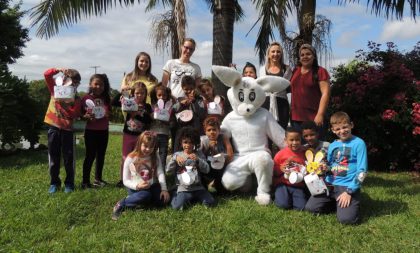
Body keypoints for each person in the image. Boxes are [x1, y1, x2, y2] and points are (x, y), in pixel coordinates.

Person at [305, 112, 368, 224]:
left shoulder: (359, 143)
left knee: (346, 219)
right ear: (333, 130)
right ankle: (337, 204)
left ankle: (350, 203)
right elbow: (330, 165)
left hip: (347, 186)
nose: (342, 131)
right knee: (311, 208)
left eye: (345, 127)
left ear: (351, 125)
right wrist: (324, 168)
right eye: (338, 129)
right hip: (330, 185)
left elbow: (362, 172)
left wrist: (349, 192)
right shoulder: (333, 145)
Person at [112, 131, 170, 220]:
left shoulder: (155, 156)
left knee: (162, 200)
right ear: (139, 144)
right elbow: (125, 180)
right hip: (136, 187)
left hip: (151, 185)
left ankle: (139, 203)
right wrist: (137, 186)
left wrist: (164, 189)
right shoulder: (131, 158)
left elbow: (160, 172)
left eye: (151, 147)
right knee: (145, 195)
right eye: (145, 146)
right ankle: (122, 203)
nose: (148, 149)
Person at [43, 67, 82, 193]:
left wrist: (64, 103)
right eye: (71, 82)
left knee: (68, 158)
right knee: (53, 157)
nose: (73, 85)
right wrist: (59, 69)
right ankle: (54, 183)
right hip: (53, 127)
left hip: (67, 130)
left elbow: (75, 114)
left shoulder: (76, 98)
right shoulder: (55, 90)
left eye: (76, 83)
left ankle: (69, 184)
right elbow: (47, 75)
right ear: (64, 80)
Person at [166, 127, 215, 210]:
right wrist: (174, 159)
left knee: (210, 202)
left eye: (191, 142)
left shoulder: (198, 154)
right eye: (185, 142)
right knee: (177, 207)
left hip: (198, 188)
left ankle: (194, 198)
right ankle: (174, 194)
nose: (188, 145)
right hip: (184, 189)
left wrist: (198, 160)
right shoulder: (177, 155)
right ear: (181, 143)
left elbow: (207, 170)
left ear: (195, 143)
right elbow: (168, 171)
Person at [290, 44, 330, 137]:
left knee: (316, 149)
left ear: (314, 56)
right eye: (302, 55)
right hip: (296, 118)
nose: (305, 57)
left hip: (314, 118)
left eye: (308, 54)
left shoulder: (320, 71)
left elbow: (326, 93)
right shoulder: (295, 70)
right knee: (300, 149)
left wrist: (320, 114)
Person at [117, 82, 153, 187]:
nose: (139, 95)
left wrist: (137, 115)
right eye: (137, 93)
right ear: (133, 94)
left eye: (142, 93)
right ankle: (122, 179)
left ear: (145, 94)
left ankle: (136, 177)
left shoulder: (147, 106)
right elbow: (114, 102)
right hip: (128, 135)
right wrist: (122, 91)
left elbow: (148, 121)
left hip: (140, 136)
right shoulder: (128, 102)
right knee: (125, 156)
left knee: (138, 157)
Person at [81, 74, 111, 189]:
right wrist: (86, 116)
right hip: (91, 131)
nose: (99, 87)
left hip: (104, 131)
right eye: (96, 84)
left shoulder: (106, 98)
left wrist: (107, 114)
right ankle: (85, 182)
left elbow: (109, 113)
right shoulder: (85, 98)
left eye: (101, 85)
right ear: (90, 85)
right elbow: (81, 115)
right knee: (90, 156)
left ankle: (98, 179)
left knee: (101, 156)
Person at [272, 126, 307, 210]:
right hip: (283, 184)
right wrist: (280, 168)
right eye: (291, 140)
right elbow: (273, 172)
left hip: (298, 185)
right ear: (286, 140)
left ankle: (291, 199)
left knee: (301, 208)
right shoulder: (280, 154)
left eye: (297, 140)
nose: (294, 143)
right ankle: (281, 197)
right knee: (282, 205)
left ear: (301, 139)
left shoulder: (304, 153)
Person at [259, 42, 292, 129]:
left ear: (281, 54)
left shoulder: (287, 70)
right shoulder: (262, 70)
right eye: (273, 52)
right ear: (268, 54)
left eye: (278, 52)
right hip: (265, 103)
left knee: (281, 132)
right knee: (266, 133)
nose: (275, 54)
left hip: (282, 104)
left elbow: (290, 87)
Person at [171, 76, 207, 151]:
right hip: (182, 132)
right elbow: (173, 111)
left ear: (194, 87)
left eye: (191, 89)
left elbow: (201, 114)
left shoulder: (199, 99)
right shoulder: (179, 99)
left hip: (196, 131)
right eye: (186, 89)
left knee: (196, 152)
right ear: (182, 88)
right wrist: (181, 105)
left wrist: (193, 102)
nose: (189, 91)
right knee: (179, 152)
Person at [199, 116, 233, 193]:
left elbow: (230, 155)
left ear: (219, 130)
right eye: (209, 130)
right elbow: (199, 157)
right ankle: (204, 186)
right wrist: (208, 148)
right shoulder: (202, 140)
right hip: (207, 167)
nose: (212, 132)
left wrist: (225, 164)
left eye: (214, 129)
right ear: (205, 131)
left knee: (223, 192)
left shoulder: (223, 138)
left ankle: (218, 185)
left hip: (221, 166)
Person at [150, 83, 175, 169]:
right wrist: (153, 115)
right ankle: (152, 176)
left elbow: (171, 121)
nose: (161, 97)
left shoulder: (169, 107)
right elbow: (149, 119)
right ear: (155, 95)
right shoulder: (152, 106)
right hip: (153, 135)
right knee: (151, 155)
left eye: (164, 95)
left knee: (163, 155)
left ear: (167, 95)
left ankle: (161, 176)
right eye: (159, 95)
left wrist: (167, 120)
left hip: (164, 135)